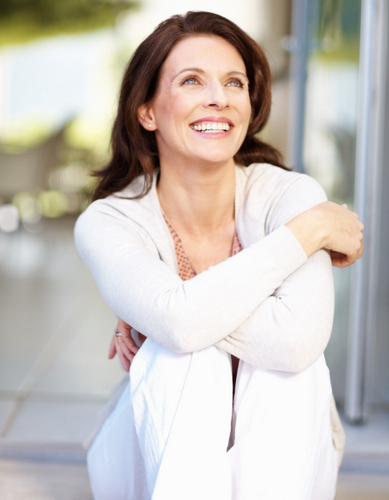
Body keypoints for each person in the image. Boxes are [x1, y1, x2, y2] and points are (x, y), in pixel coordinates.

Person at [74, 11, 364, 500]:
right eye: (191, 80)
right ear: (146, 111)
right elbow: (184, 329)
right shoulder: (110, 221)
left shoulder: (289, 195)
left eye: (235, 82)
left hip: (283, 449)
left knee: (293, 369)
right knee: (185, 354)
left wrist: (168, 308)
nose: (219, 97)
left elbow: (296, 342)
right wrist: (308, 232)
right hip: (151, 462)